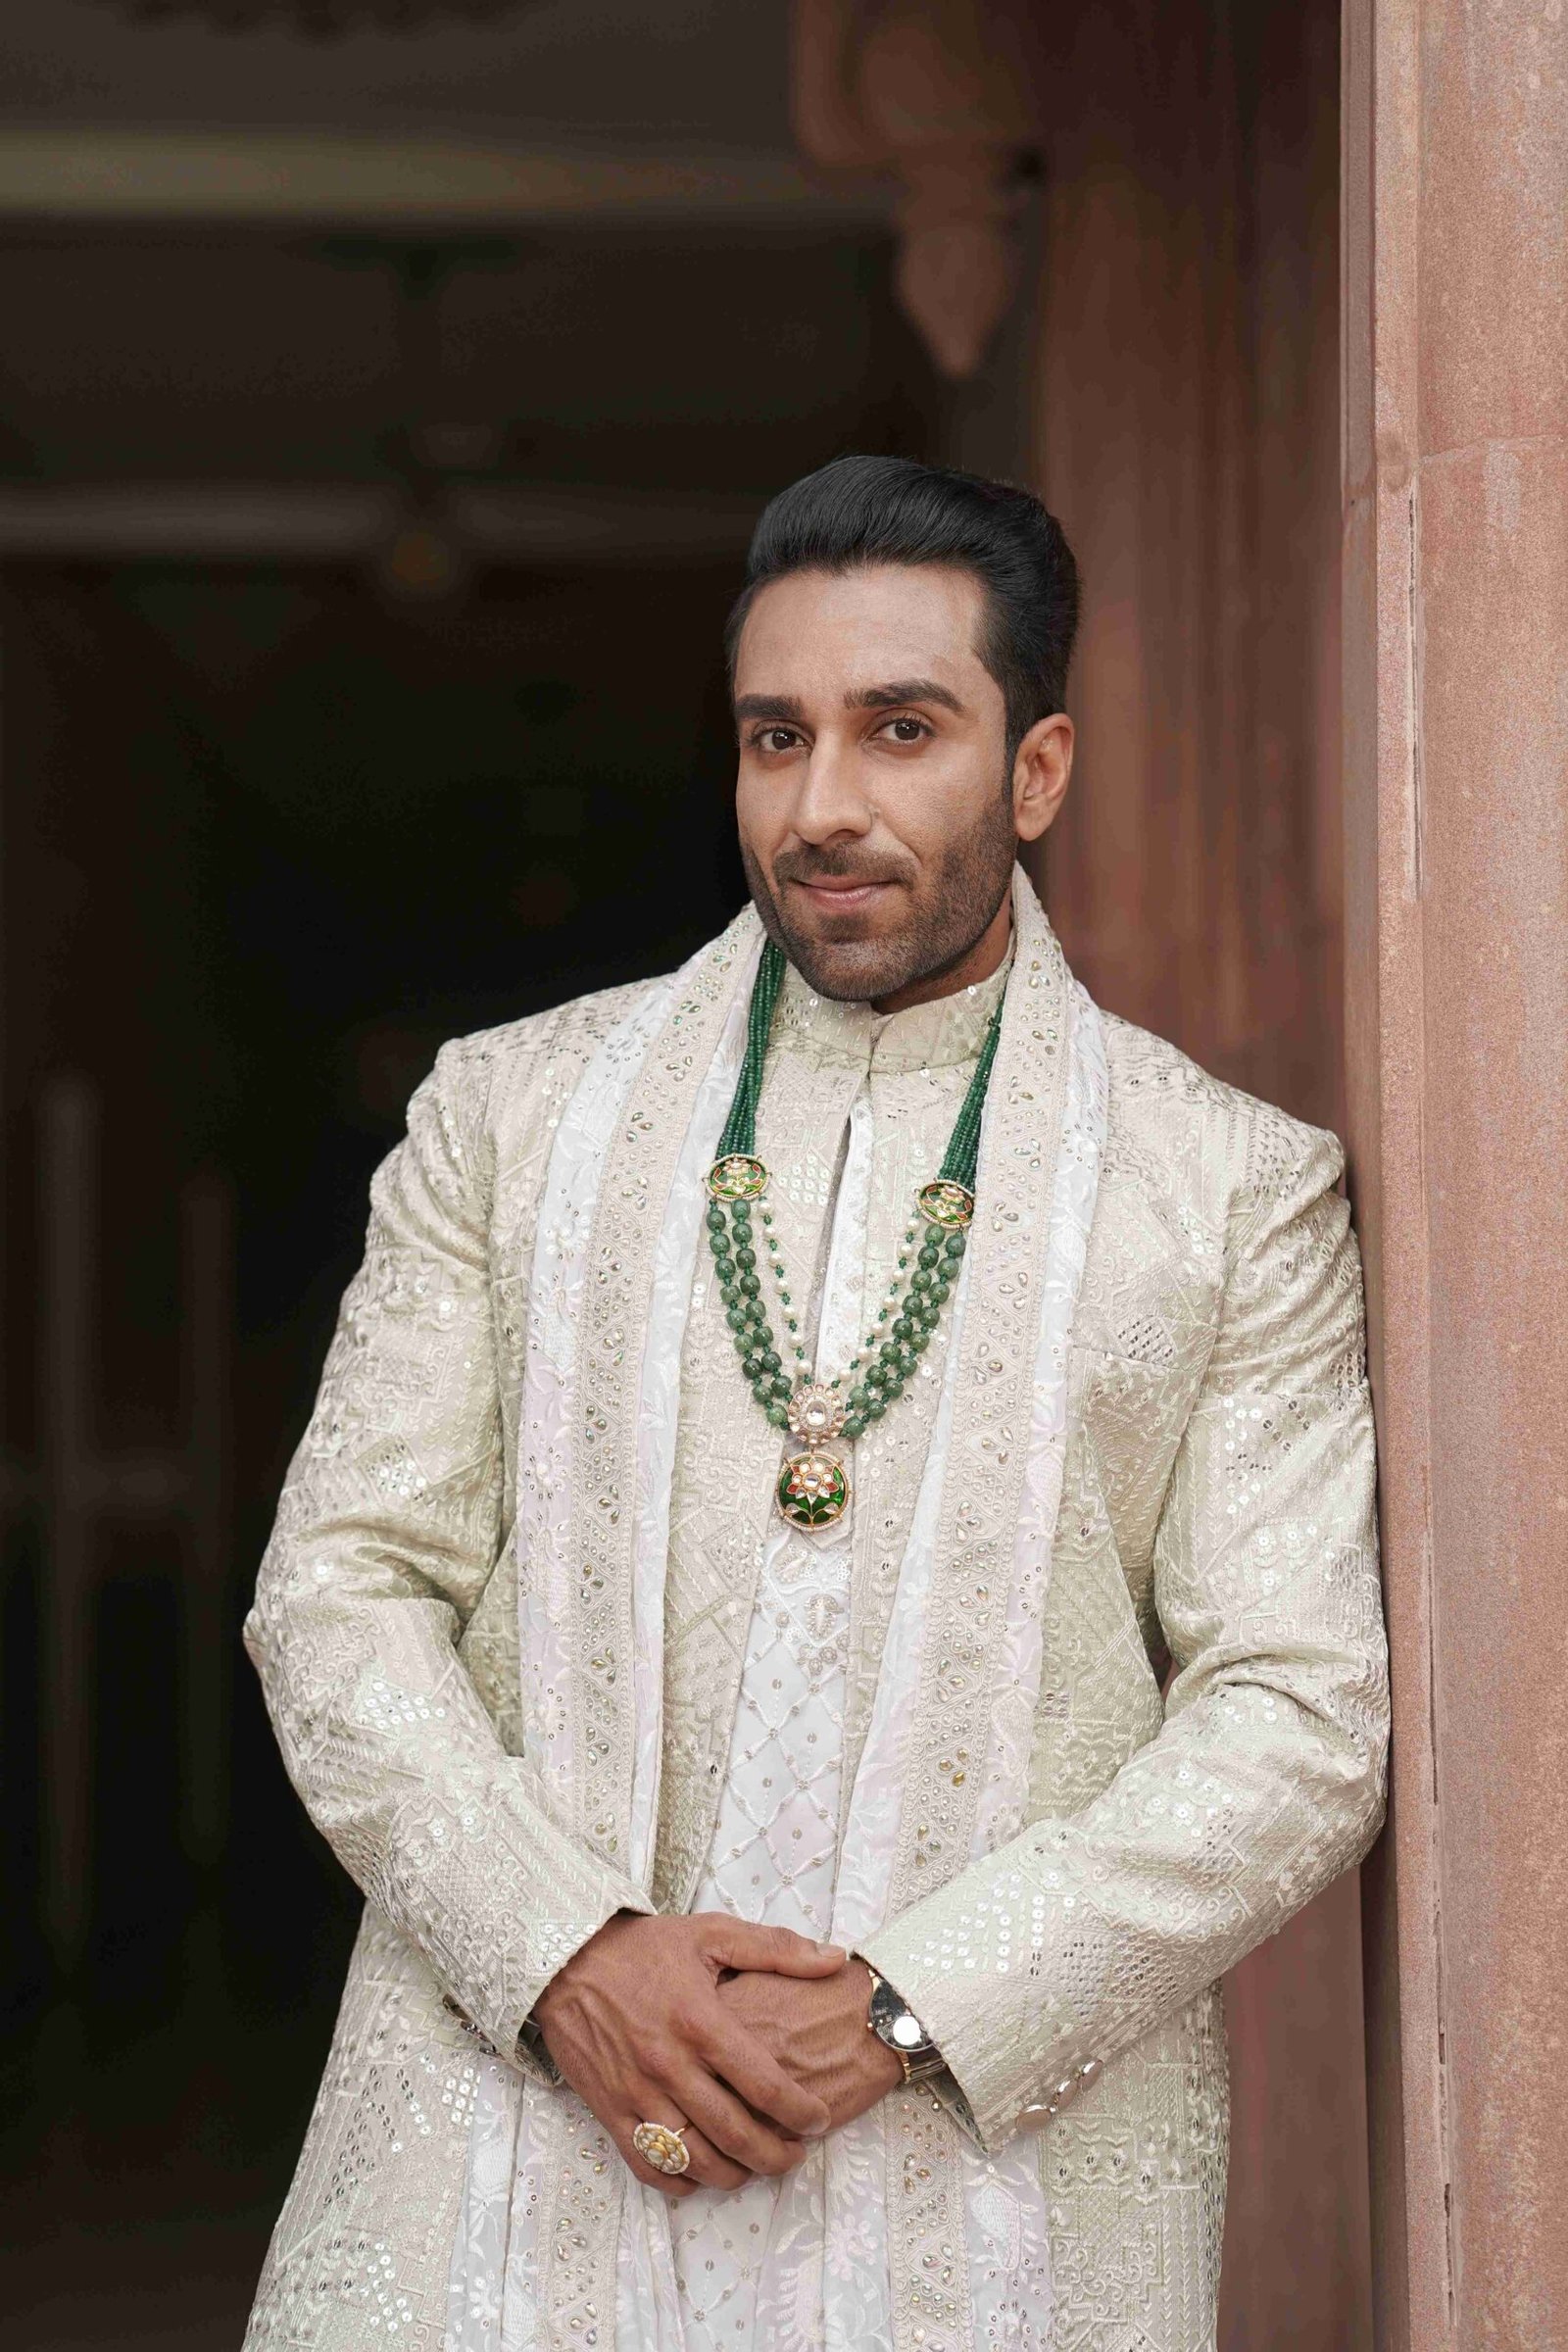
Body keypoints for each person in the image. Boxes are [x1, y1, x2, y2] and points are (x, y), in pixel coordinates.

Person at [242, 455, 1389, 2352]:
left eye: (900, 730)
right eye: (776, 737)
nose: (821, 805)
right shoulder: (510, 1119)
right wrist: (564, 1950)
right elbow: (337, 1587)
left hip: (980, 2192)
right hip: (510, 2156)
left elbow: (1298, 1712)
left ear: (1035, 771)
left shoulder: (1224, 1191)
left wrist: (910, 2010)